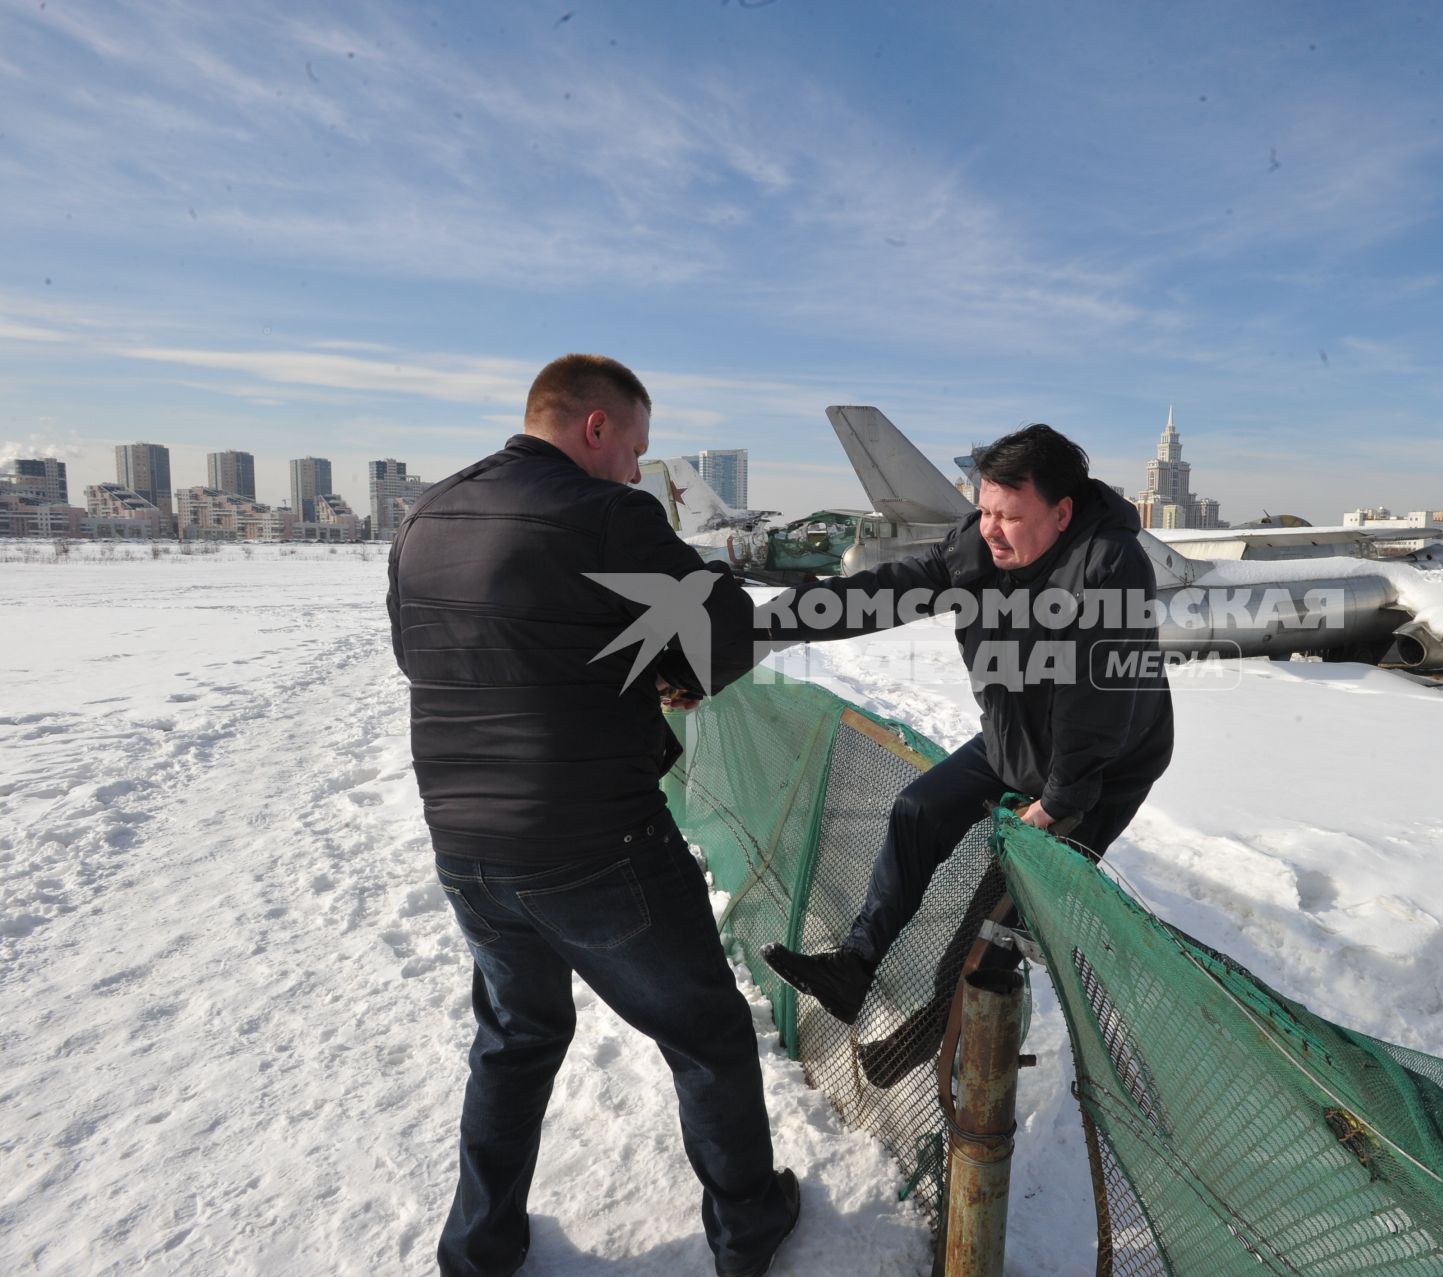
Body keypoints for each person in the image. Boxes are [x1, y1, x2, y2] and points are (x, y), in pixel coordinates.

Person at [388, 354, 800, 1277]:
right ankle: (749, 1227)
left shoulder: (424, 516)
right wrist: (669, 676)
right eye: (636, 450)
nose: (635, 471)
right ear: (596, 428)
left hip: (463, 842)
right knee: (707, 1034)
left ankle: (480, 1245)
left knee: (515, 1034)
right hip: (594, 842)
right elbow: (720, 626)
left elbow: (429, 651)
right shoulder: (606, 512)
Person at [759, 424, 1174, 1030]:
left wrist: (1058, 802)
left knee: (1001, 916)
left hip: (1102, 762)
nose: (990, 529)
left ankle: (948, 1040)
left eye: (1008, 515)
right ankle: (855, 966)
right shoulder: (978, 547)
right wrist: (772, 622)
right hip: (1016, 731)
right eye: (983, 510)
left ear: (1062, 512)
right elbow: (888, 591)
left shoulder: (1109, 566)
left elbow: (1097, 704)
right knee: (917, 811)